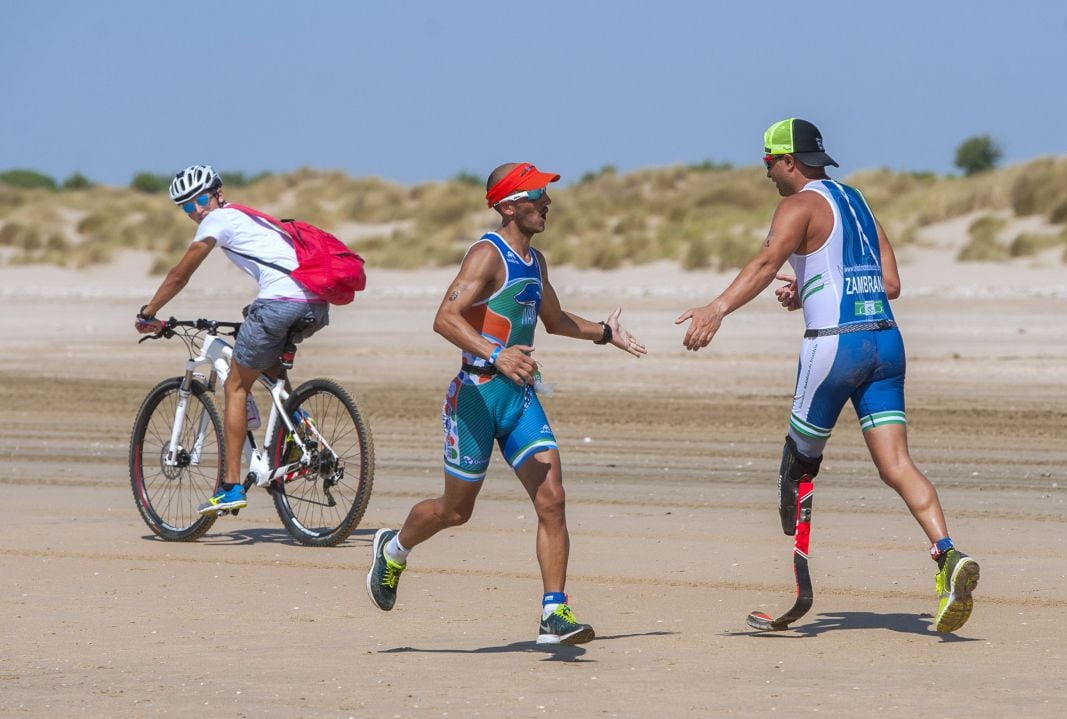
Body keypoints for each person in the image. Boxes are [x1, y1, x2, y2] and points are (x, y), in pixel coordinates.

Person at [675, 119, 979, 633]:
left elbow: (767, 260)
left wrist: (716, 309)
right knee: (897, 464)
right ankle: (947, 555)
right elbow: (890, 282)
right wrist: (809, 284)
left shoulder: (797, 206)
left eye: (769, 160)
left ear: (789, 161)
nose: (765, 169)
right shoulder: (856, 200)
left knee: (799, 465)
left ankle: (800, 590)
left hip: (837, 346)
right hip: (886, 339)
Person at [366, 162, 647, 645]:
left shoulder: (535, 263)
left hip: (517, 398)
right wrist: (496, 353)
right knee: (456, 512)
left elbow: (554, 321)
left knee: (552, 498)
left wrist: (605, 333)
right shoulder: (486, 255)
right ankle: (394, 548)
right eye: (536, 195)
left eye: (546, 195)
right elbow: (445, 318)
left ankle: (553, 615)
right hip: (474, 399)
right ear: (507, 205)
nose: (547, 203)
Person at [134, 164, 329, 516]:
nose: (196, 211)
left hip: (279, 304)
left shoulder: (218, 221)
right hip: (315, 304)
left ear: (217, 193)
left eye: (200, 200)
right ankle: (303, 439)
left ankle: (230, 487)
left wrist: (148, 313)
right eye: (187, 207)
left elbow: (180, 274)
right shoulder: (252, 219)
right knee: (271, 371)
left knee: (236, 386)